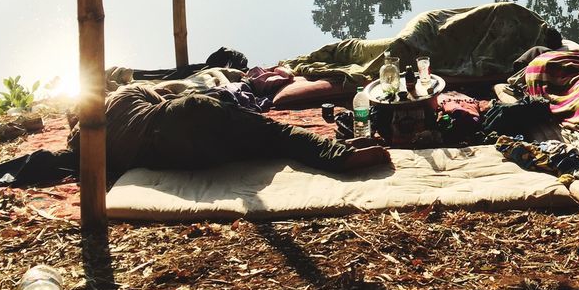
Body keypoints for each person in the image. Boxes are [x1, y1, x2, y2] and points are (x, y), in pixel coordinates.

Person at [68, 83, 389, 181]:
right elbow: (169, 101)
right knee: (276, 135)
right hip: (181, 117)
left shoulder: (84, 142)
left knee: (269, 145)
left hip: (180, 157)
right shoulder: (124, 94)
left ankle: (343, 150)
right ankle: (342, 155)